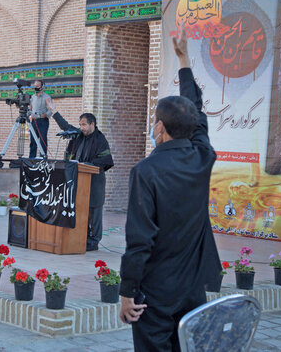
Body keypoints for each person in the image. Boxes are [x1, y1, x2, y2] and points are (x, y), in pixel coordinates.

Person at [118, 34, 221, 352]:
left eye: (154, 122)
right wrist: (184, 60)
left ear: (159, 127)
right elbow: (197, 113)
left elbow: (140, 240)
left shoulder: (146, 171)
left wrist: (126, 293)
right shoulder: (203, 156)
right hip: (193, 287)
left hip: (157, 293)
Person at [46, 99, 114, 251]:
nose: (81, 127)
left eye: (84, 124)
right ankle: (82, 237)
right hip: (78, 181)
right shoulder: (78, 136)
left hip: (94, 182)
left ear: (92, 124)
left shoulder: (100, 140)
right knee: (80, 210)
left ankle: (94, 241)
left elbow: (104, 160)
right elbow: (65, 127)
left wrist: (85, 166)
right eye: (80, 124)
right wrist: (54, 111)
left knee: (94, 212)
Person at [29, 79, 51, 158]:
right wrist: (30, 114)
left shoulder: (47, 97)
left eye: (38, 86)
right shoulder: (32, 97)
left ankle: (43, 158)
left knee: (42, 141)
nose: (36, 87)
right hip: (34, 122)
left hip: (43, 122)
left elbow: (50, 110)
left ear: (42, 86)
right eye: (35, 86)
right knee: (33, 141)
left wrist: (45, 115)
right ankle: (32, 158)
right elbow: (30, 108)